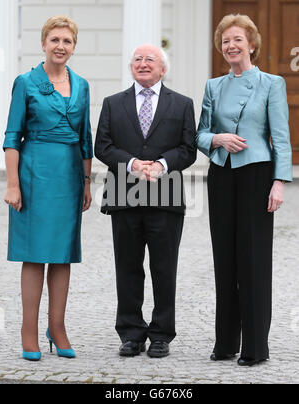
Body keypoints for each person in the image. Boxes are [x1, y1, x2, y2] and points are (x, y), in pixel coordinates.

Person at [196, 14, 293, 366]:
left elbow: (280, 137)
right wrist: (217, 139)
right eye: (225, 41)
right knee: (224, 259)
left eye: (237, 39)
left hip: (257, 176)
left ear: (251, 44)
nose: (231, 46)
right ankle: (225, 342)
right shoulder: (213, 86)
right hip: (222, 176)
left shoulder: (272, 83)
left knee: (252, 261)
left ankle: (255, 346)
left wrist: (279, 182)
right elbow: (200, 135)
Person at [95, 44, 197, 358]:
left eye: (149, 59)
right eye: (137, 59)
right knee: (127, 267)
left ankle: (162, 335)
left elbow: (188, 148)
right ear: (131, 67)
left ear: (162, 68)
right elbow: (103, 146)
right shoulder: (113, 103)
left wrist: (162, 164)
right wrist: (133, 163)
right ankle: (131, 333)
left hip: (165, 195)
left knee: (164, 268)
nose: (143, 63)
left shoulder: (181, 104)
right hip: (125, 193)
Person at [3, 15, 93, 361]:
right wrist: (13, 184)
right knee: (35, 254)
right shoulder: (25, 83)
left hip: (70, 176)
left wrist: (86, 182)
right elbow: (12, 137)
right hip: (34, 173)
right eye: (54, 40)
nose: (60, 46)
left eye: (67, 41)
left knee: (63, 254)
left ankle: (57, 327)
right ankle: (28, 331)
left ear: (73, 47)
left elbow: (86, 138)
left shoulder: (82, 85)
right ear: (43, 44)